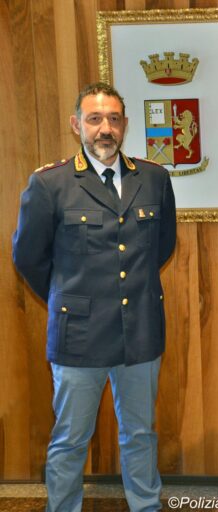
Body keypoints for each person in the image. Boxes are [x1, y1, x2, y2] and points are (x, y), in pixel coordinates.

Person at [12, 82, 177, 511]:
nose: (105, 129)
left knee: (140, 434)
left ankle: (146, 505)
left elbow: (162, 247)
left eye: (114, 119)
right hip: (78, 336)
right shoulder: (50, 183)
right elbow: (28, 256)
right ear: (76, 125)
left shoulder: (154, 178)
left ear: (125, 124)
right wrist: (69, 299)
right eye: (95, 119)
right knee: (71, 439)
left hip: (139, 331)